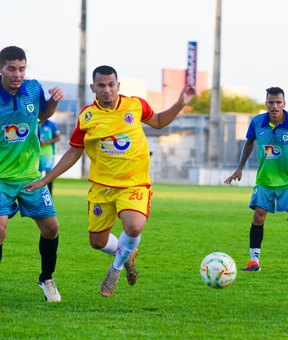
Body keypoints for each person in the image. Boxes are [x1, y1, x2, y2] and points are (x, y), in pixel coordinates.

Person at [25, 65, 196, 297]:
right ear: (93, 87)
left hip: (134, 184)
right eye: (102, 85)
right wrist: (47, 178)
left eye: (111, 85)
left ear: (118, 85)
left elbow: (158, 122)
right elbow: (74, 152)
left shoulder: (135, 105)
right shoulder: (87, 116)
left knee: (134, 226)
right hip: (102, 188)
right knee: (97, 242)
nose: (107, 89)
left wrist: (180, 103)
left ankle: (115, 269)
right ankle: (127, 254)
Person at [0, 46, 64, 302]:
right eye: (12, 69)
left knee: (51, 228)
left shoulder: (34, 88)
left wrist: (54, 102)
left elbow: (43, 114)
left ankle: (46, 279)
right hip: (1, 179)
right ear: (1, 69)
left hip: (31, 177)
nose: (18, 74)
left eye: (22, 68)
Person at [224, 87, 288, 271]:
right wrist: (239, 168)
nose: (274, 106)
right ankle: (254, 262)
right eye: (271, 102)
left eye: (278, 102)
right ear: (266, 103)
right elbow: (250, 142)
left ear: (284, 104)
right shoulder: (257, 122)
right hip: (264, 181)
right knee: (258, 217)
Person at [39, 119, 61, 195]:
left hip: (48, 154)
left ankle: (49, 195)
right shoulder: (34, 123)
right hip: (35, 154)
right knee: (36, 175)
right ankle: (38, 195)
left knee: (48, 175)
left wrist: (46, 142)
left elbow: (58, 137)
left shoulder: (51, 124)